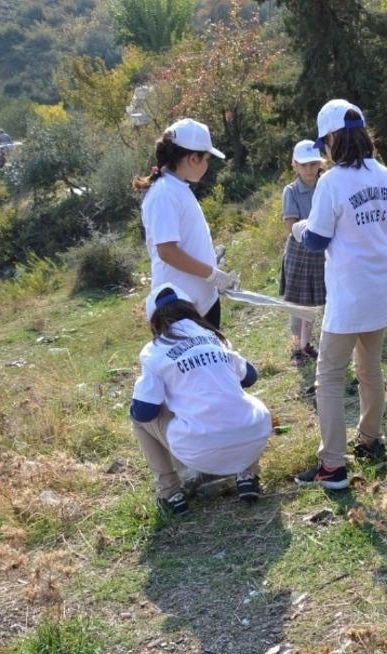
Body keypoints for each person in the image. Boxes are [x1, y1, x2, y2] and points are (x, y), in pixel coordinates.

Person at [293, 99, 387, 490]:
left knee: (328, 378)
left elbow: (316, 239)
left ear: (331, 139)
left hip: (347, 297)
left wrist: (299, 229)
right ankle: (371, 439)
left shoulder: (332, 181)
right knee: (370, 369)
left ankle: (333, 465)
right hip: (380, 291)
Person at [130, 283, 272, 515]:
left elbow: (143, 411)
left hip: (200, 450)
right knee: (238, 400)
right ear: (192, 309)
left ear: (154, 321)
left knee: (138, 419)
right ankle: (247, 474)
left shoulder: (154, 350)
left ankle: (170, 493)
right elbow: (250, 377)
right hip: (252, 438)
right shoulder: (214, 338)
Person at [133, 118, 237, 329]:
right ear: (192, 158)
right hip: (179, 308)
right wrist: (212, 274)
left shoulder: (177, 187)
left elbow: (185, 240)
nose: (207, 165)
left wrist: (209, 259)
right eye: (206, 159)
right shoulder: (164, 193)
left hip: (200, 301)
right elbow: (167, 251)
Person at [280, 140, 326, 366]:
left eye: (313, 164)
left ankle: (306, 344)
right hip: (299, 249)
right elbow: (290, 224)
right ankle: (295, 347)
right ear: (295, 165)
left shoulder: (326, 185)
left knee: (315, 300)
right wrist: (312, 225)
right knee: (297, 302)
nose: (309, 169)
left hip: (321, 249)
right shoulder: (291, 191)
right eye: (304, 165)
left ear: (320, 163)